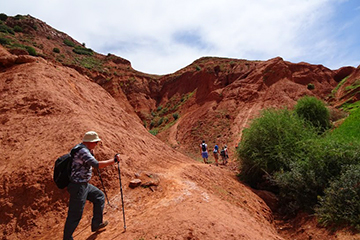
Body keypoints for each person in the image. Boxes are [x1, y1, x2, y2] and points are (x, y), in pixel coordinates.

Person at [63, 131, 120, 240]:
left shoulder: (82, 148)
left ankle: (96, 224)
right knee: (75, 214)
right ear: (90, 142)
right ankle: (67, 238)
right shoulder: (83, 151)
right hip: (78, 186)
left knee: (99, 197)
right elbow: (97, 165)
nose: (97, 144)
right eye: (95, 142)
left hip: (83, 184)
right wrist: (114, 160)